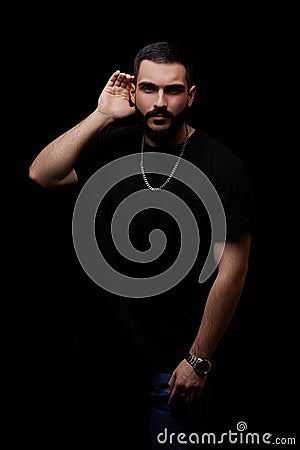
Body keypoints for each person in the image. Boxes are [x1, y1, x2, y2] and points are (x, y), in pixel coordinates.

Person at [29, 41, 255, 449]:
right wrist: (101, 115)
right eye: (149, 89)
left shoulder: (223, 167)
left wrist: (198, 359)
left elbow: (232, 270)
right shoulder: (112, 144)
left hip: (171, 370)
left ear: (192, 95)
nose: (160, 102)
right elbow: (43, 175)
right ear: (133, 93)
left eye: (173, 90)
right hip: (100, 361)